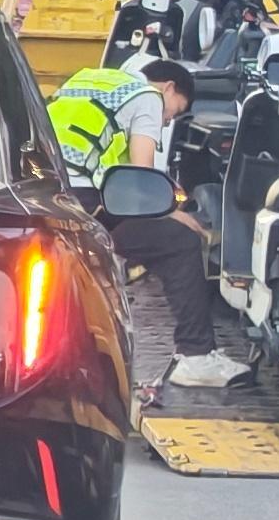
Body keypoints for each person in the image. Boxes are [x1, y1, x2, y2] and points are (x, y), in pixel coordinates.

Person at [56, 54, 243, 392]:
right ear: (168, 87)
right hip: (85, 203)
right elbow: (142, 177)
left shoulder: (87, 79)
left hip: (49, 195)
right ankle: (196, 357)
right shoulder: (147, 98)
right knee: (180, 241)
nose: (168, 121)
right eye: (175, 110)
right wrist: (174, 212)